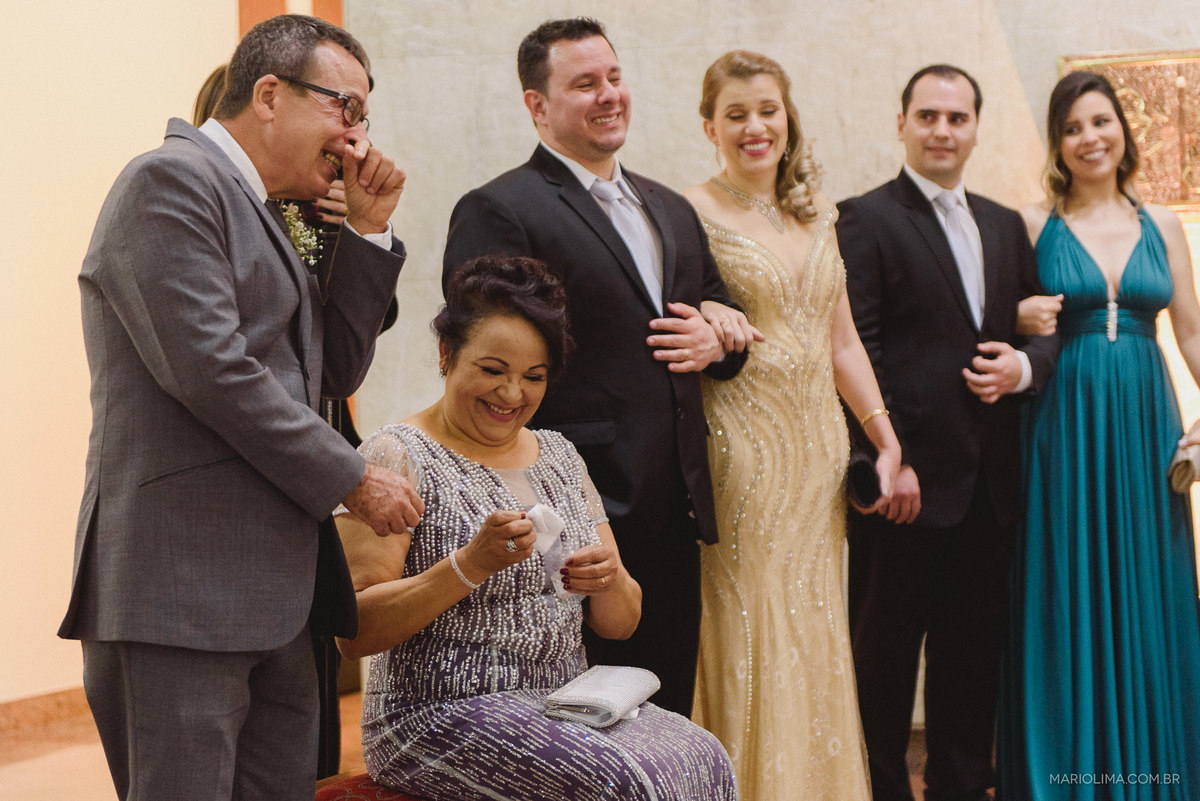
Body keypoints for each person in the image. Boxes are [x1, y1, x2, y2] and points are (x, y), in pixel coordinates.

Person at [58, 15, 424, 800]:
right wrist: (352, 478)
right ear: (268, 93)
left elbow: (336, 372)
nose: (356, 141)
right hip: (180, 589)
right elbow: (212, 372)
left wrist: (366, 232)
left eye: (365, 117)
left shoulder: (262, 208)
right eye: (344, 109)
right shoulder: (170, 181)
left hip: (278, 597)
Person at [441, 17, 757, 717]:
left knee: (662, 713)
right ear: (537, 105)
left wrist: (717, 338)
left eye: (614, 77)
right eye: (585, 84)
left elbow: (722, 321)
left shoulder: (670, 207)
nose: (609, 94)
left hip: (675, 505)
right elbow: (486, 367)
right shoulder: (500, 208)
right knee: (578, 729)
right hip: (570, 519)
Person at [336, 255, 736, 799]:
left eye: (533, 377)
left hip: (570, 699)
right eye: (493, 371)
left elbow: (621, 623)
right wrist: (469, 565)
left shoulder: (561, 457)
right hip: (434, 715)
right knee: (622, 782)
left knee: (705, 756)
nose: (511, 396)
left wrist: (609, 581)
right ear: (446, 354)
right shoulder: (395, 455)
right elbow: (354, 632)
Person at [836, 64, 1060, 801]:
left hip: (990, 487)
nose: (941, 130)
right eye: (927, 115)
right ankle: (883, 791)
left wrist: (1022, 370)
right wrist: (882, 460)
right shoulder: (862, 219)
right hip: (906, 488)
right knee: (884, 667)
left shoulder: (1004, 223)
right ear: (901, 123)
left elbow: (1042, 329)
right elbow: (855, 349)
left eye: (956, 118)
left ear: (973, 129)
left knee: (971, 664)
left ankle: (964, 785)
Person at [682, 50, 901, 800]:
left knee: (815, 623)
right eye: (736, 114)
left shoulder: (818, 212)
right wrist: (711, 312)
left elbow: (841, 341)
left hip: (819, 454)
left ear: (787, 115)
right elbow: (690, 316)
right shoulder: (691, 211)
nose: (755, 127)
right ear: (710, 126)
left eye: (767, 110)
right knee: (753, 615)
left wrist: (882, 431)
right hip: (742, 445)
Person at [996, 70, 1200, 800]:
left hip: (1147, 424)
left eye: (1101, 122)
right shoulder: (1031, 224)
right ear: (1058, 142)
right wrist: (1019, 318)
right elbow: (997, 323)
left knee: (1149, 582)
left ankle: (1156, 767)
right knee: (1067, 578)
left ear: (1123, 130)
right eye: (1074, 127)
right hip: (1062, 425)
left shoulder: (1164, 225)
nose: (1090, 138)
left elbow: (1195, 336)